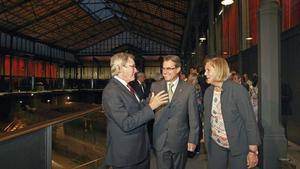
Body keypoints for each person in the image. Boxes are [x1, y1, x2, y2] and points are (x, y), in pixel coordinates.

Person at [102, 52, 169, 169]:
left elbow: (135, 108)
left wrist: (148, 102)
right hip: (127, 156)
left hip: (138, 151)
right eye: (132, 66)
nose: (136, 70)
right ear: (120, 68)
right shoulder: (111, 91)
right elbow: (126, 123)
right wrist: (151, 107)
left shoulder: (126, 86)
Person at [203, 57, 261, 169]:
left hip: (238, 144)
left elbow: (249, 120)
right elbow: (208, 118)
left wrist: (252, 150)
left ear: (219, 70)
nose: (205, 73)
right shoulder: (208, 92)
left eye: (208, 70)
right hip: (216, 144)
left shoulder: (238, 91)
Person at [150, 55, 200, 169]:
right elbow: (149, 109)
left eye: (169, 68)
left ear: (178, 69)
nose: (165, 72)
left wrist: (193, 139)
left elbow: (194, 117)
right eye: (163, 68)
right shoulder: (155, 86)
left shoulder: (188, 89)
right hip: (160, 140)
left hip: (179, 140)